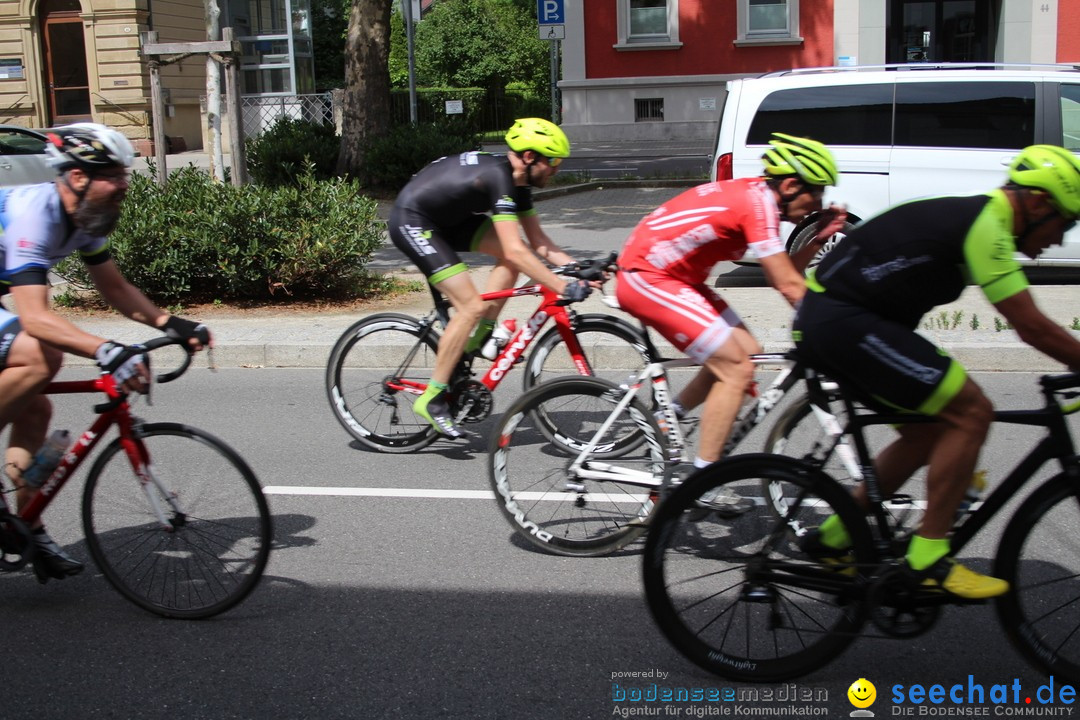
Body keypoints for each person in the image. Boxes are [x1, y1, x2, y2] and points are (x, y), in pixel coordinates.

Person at [793, 144, 1080, 599]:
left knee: (928, 433)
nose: (1060, 239)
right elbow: (1030, 325)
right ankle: (927, 558)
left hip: (837, 317)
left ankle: (831, 539)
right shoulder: (988, 226)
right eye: (1064, 222)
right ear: (1040, 203)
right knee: (972, 411)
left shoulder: (982, 218)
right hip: (841, 321)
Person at [0, 122, 211, 583]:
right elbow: (35, 317)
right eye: (113, 174)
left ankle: (25, 526)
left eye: (124, 173)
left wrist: (171, 324)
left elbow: (113, 287)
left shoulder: (86, 219)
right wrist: (107, 349)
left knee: (35, 409)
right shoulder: (37, 214)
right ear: (78, 177)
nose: (123, 184)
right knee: (41, 356)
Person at [615, 133, 846, 511]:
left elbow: (785, 274)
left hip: (676, 278)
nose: (817, 204)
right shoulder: (756, 207)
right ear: (789, 185)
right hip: (647, 276)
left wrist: (818, 239)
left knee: (747, 355)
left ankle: (665, 418)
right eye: (815, 193)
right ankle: (703, 482)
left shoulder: (761, 202)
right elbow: (787, 284)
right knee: (736, 368)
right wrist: (838, 328)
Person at [389, 118, 593, 439]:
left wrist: (581, 268)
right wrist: (562, 285)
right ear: (529, 157)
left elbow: (539, 244)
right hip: (413, 221)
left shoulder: (519, 183)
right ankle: (432, 398)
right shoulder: (499, 176)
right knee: (470, 305)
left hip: (448, 221)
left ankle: (478, 338)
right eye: (552, 162)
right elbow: (516, 251)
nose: (556, 170)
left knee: (513, 258)